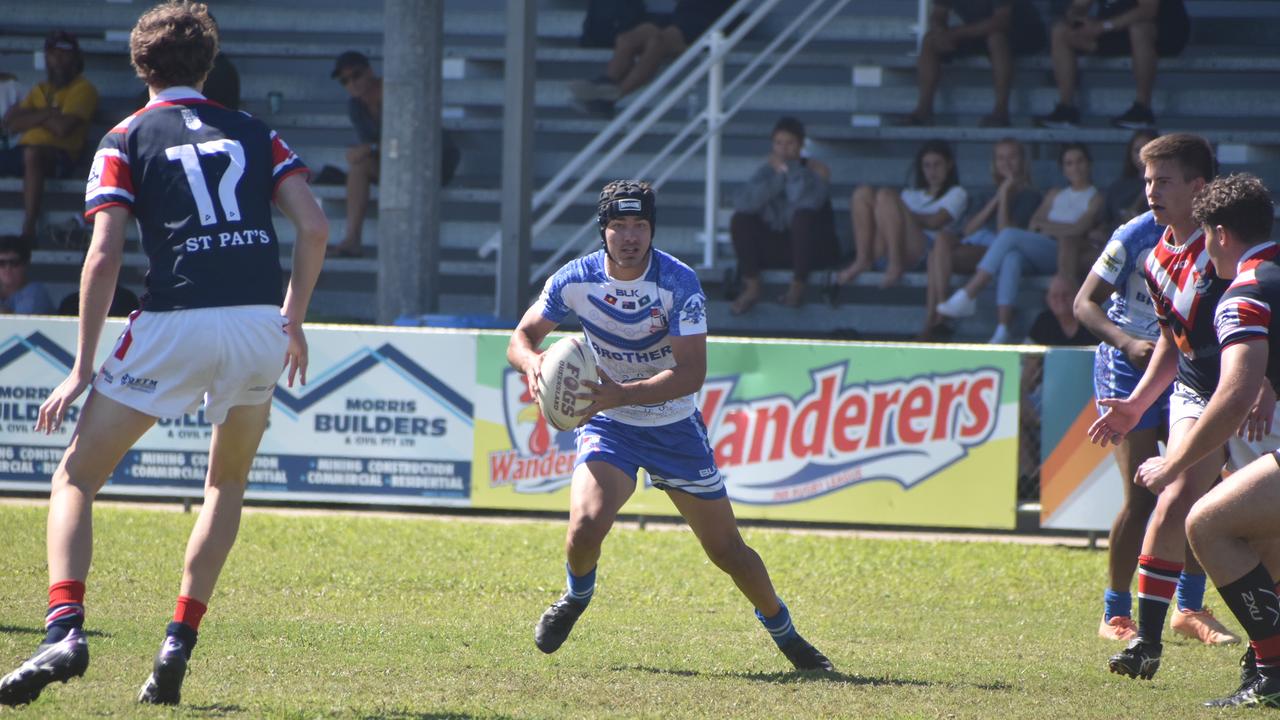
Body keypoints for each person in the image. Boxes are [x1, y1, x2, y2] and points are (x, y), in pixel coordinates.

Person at [0, 1, 328, 707]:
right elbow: (315, 227)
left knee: (76, 479)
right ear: (208, 64)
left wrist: (83, 366)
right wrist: (292, 320)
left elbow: (105, 253)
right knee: (225, 485)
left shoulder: (125, 136)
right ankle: (178, 639)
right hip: (254, 325)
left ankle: (64, 627)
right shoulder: (254, 131)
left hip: (175, 319)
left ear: (139, 63)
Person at [507, 180, 833, 672]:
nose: (631, 236)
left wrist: (623, 392)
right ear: (604, 231)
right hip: (610, 422)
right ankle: (575, 598)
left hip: (672, 425)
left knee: (728, 552)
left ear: (653, 229)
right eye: (620, 225)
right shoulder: (575, 278)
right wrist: (532, 364)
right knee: (584, 529)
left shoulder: (678, 283)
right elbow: (521, 337)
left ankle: (787, 635)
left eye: (641, 225)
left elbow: (691, 373)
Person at [1085, 133, 1232, 681]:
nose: (1150, 191)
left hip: (1221, 377)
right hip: (1154, 373)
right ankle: (1124, 619)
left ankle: (1191, 611)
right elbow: (1088, 304)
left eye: (1162, 180)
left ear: (1199, 187)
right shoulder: (1146, 241)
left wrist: (1262, 381)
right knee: (1153, 497)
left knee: (1213, 501)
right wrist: (1131, 363)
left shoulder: (1228, 242)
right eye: (1147, 181)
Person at [1150, 174, 1280, 708]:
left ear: (1220, 234)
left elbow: (1233, 395)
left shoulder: (1245, 292)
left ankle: (1271, 672)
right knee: (1263, 534)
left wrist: (1173, 462)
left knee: (1206, 523)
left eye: (1204, 236)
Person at [936, 142, 1103, 343]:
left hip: (1065, 252)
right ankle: (1002, 328)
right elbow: (1034, 224)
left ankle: (969, 293)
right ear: (1063, 168)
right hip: (1042, 246)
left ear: (1089, 164)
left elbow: (1079, 228)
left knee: (1009, 235)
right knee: (1011, 257)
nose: (1075, 167)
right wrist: (1055, 227)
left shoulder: (1096, 196)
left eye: (1079, 162)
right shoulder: (1054, 193)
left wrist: (1048, 227)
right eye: (1069, 163)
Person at [329, 50, 461, 257]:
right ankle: (352, 239)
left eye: (356, 75)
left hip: (432, 162)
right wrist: (359, 152)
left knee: (372, 161)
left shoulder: (395, 93)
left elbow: (415, 142)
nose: (351, 84)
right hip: (397, 162)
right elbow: (372, 146)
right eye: (344, 80)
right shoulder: (355, 105)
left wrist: (369, 149)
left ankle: (407, 252)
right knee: (358, 166)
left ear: (370, 72)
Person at [920, 138, 1039, 339]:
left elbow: (1005, 233)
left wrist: (1006, 196)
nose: (1006, 163)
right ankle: (942, 310)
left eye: (1012, 157)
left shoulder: (1031, 196)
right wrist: (997, 196)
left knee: (936, 258)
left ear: (1022, 161)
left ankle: (936, 320)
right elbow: (968, 230)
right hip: (974, 246)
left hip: (998, 252)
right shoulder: (984, 194)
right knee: (940, 242)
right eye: (1001, 158)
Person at [728, 116, 838, 314]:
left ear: (801, 144)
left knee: (803, 218)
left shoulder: (816, 171)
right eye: (778, 143)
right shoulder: (767, 171)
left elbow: (804, 202)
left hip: (809, 249)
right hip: (777, 245)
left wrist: (793, 171)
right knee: (741, 219)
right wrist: (778, 177)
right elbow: (745, 203)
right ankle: (752, 285)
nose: (783, 148)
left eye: (790, 143)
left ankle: (798, 285)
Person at [0, 30, 98, 242]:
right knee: (28, 153)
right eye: (53, 54)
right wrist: (49, 114)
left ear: (76, 58)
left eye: (64, 54)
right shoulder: (40, 89)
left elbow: (63, 128)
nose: (58, 60)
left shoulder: (83, 89)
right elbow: (10, 122)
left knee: (33, 154)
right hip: (23, 151)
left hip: (61, 157)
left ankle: (29, 227)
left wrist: (33, 116)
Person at [833, 139, 967, 290]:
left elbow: (935, 221)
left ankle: (896, 264)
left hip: (926, 252)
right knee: (862, 193)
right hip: (885, 248)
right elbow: (891, 220)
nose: (932, 171)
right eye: (927, 165)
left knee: (885, 196)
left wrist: (899, 214)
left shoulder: (957, 193)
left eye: (937, 164)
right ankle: (863, 259)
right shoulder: (909, 194)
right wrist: (895, 213)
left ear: (948, 165)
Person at [1034, 0, 1190, 130]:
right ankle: (1066, 110)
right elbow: (1079, 5)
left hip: (1164, 29)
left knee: (1139, 29)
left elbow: (1148, 10)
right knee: (1060, 31)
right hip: (1116, 29)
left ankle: (1143, 109)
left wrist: (1102, 26)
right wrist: (1076, 17)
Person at [568, 0, 735, 116]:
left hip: (701, 27)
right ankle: (606, 82)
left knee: (657, 43)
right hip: (678, 19)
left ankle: (614, 96)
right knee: (627, 38)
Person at [905, 0, 1046, 127]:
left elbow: (1001, 21)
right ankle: (923, 111)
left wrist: (956, 33)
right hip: (979, 30)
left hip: (1023, 32)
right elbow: (938, 13)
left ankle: (1001, 112)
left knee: (996, 38)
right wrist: (939, 30)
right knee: (930, 40)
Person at [0, 235, 55, 314]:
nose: (8, 268)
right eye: (1, 263)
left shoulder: (36, 293)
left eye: (14, 263)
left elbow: (20, 324)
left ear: (26, 264)